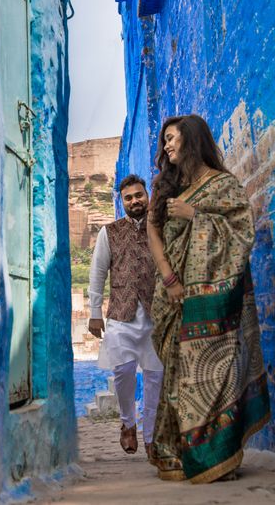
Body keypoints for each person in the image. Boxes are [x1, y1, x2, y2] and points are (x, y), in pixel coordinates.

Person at [146, 114, 270, 483]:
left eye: (172, 138)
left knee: (220, 373)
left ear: (193, 139)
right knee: (181, 373)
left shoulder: (223, 185)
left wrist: (196, 214)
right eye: (164, 140)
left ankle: (219, 456)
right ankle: (179, 454)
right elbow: (154, 234)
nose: (166, 145)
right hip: (176, 294)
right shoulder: (164, 186)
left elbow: (241, 231)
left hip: (216, 298)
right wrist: (169, 279)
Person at [87, 174, 164, 457]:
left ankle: (151, 435)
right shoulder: (110, 232)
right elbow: (97, 273)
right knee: (123, 372)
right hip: (121, 314)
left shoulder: (161, 227)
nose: (134, 201)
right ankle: (128, 423)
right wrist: (95, 312)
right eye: (128, 197)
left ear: (147, 196)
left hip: (156, 315)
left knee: (156, 376)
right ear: (122, 202)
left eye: (138, 195)